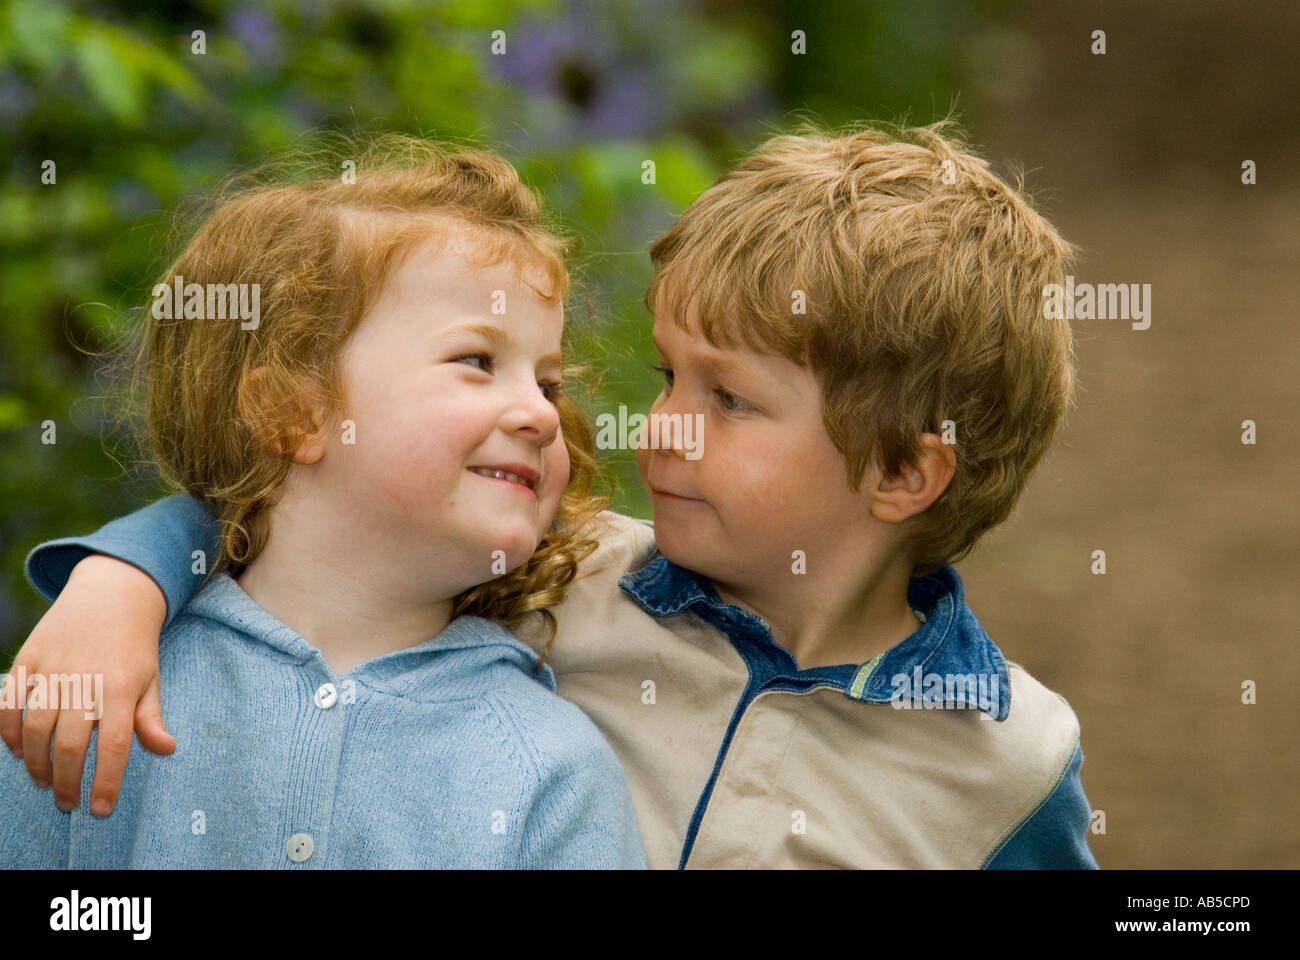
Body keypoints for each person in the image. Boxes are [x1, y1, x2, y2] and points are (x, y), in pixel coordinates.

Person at [5, 120, 1097, 868]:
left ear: (903, 471)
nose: (655, 423)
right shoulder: (570, 581)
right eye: (670, 375)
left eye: (730, 399)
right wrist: (119, 590)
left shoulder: (1010, 758)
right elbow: (304, 526)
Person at [0, 136, 645, 869]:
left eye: (549, 383)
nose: (540, 414)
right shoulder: (92, 693)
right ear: (292, 411)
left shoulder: (554, 768)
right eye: (477, 361)